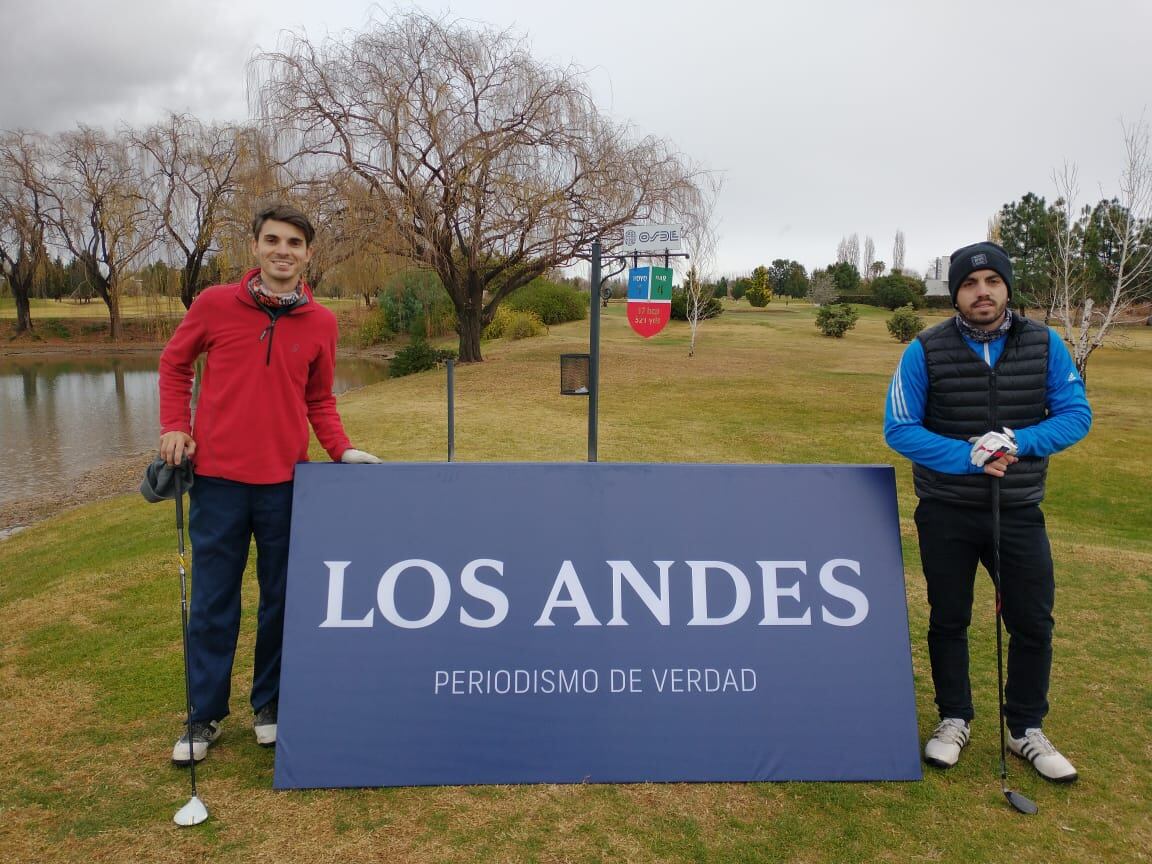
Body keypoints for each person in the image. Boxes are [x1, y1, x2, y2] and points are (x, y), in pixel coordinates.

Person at [158, 203, 381, 764]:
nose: (283, 251)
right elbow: (175, 364)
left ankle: (272, 705)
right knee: (213, 602)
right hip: (218, 482)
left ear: (308, 255)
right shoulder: (213, 304)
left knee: (282, 601)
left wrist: (341, 448)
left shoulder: (322, 323)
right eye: (273, 241)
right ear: (255, 246)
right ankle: (203, 715)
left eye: (295, 244)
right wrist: (175, 427)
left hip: (287, 485)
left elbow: (319, 399)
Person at [884, 241, 1091, 782]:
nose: (982, 292)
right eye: (970, 284)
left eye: (992, 283)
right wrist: (969, 457)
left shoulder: (1045, 344)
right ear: (955, 293)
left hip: (1018, 509)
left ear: (1006, 288)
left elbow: (1075, 415)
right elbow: (899, 427)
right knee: (948, 619)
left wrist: (1017, 442)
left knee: (1031, 621)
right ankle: (954, 717)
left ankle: (1025, 727)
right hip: (947, 511)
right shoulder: (924, 349)